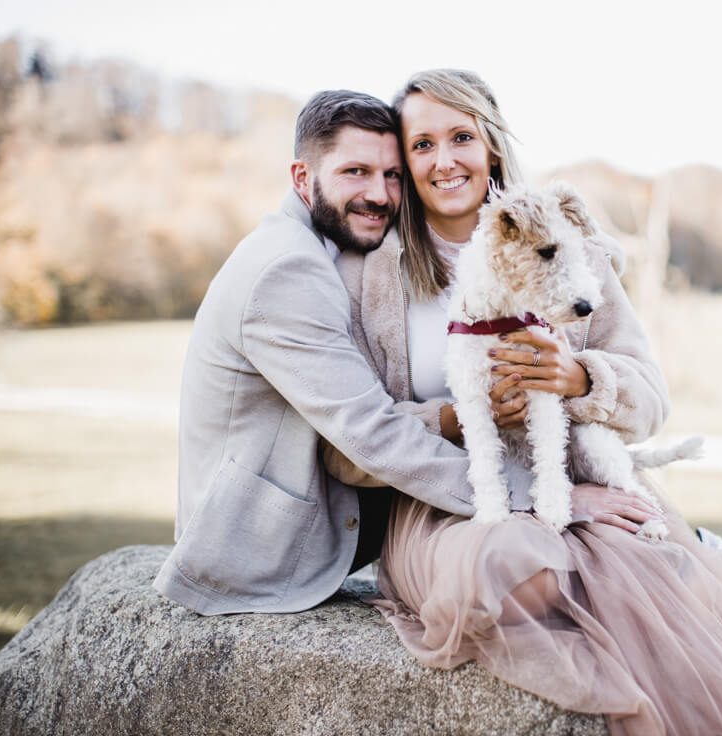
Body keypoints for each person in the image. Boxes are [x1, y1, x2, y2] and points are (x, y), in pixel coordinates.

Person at [324, 69, 722, 736]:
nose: (444, 161)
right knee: (515, 576)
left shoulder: (572, 248)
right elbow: (343, 449)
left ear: (492, 146)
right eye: (422, 145)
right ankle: (686, 564)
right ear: (403, 161)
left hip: (577, 475)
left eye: (461, 137)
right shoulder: (369, 273)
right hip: (448, 500)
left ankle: (720, 572)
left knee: (643, 566)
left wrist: (577, 376)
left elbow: (650, 399)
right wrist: (451, 419)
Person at [153, 90, 553, 615]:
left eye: (391, 175)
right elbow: (372, 433)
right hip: (260, 546)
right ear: (302, 178)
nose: (381, 195)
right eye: (355, 172)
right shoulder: (286, 270)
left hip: (349, 505)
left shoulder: (322, 252)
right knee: (525, 571)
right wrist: (529, 498)